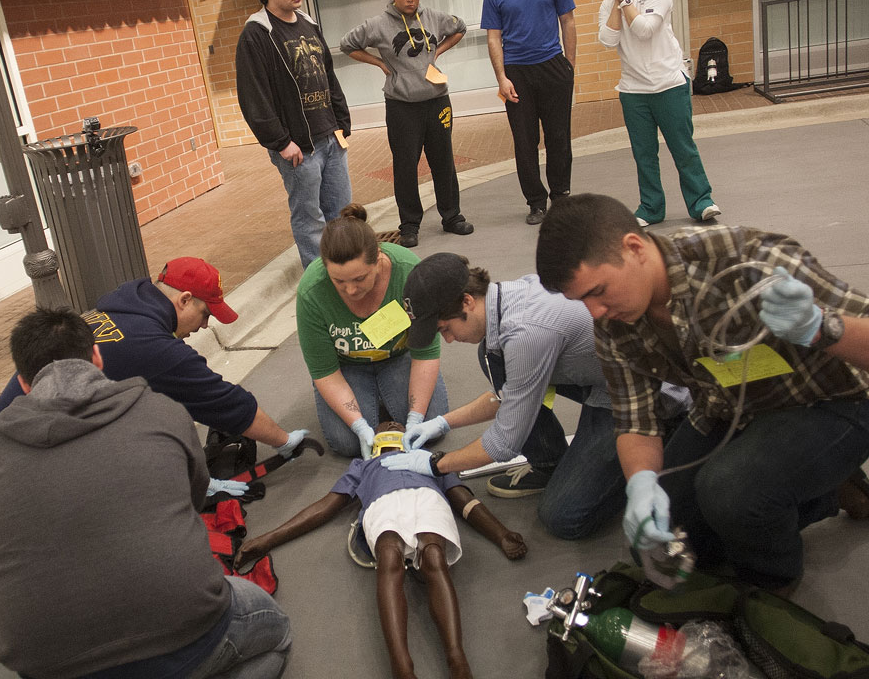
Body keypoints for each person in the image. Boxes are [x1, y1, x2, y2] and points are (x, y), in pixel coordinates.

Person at [0, 257, 308, 622]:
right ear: (184, 300)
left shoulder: (122, 308)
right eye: (206, 314)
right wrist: (283, 440)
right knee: (103, 545)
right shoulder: (153, 347)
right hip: (28, 470)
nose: (205, 325)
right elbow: (230, 404)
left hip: (7, 452)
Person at [535, 193, 869, 594]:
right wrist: (641, 485)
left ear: (634, 247)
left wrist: (821, 328)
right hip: (731, 410)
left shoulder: (744, 259)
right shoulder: (613, 324)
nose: (595, 312)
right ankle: (820, 491)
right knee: (662, 547)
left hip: (831, 403)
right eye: (581, 300)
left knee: (730, 490)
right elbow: (634, 419)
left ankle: (771, 584)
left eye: (598, 290)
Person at [0, 307, 291, 678]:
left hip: (48, 667)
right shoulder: (161, 412)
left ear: (24, 384)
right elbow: (190, 502)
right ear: (97, 357)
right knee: (276, 630)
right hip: (188, 632)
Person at [383, 252, 688, 540]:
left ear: (467, 301)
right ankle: (551, 463)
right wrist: (441, 423)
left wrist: (437, 464)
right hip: (602, 376)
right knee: (490, 354)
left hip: (646, 394)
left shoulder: (526, 333)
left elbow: (504, 443)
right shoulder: (510, 296)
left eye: (444, 328)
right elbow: (510, 395)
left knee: (564, 516)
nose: (448, 340)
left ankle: (666, 437)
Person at [234, 420, 526, 679]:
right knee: (389, 557)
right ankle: (402, 666)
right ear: (372, 441)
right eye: (382, 426)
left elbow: (462, 499)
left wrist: (501, 534)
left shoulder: (429, 458)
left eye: (395, 425)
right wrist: (268, 539)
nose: (388, 425)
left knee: (434, 556)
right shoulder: (362, 467)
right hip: (382, 504)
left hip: (426, 499)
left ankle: (457, 660)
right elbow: (326, 506)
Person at [339, 0, 474, 249]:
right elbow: (347, 44)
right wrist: (378, 62)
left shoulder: (434, 17)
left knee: (443, 162)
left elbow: (460, 28)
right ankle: (409, 225)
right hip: (402, 107)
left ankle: (452, 217)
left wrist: (437, 53)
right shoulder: (377, 25)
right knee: (404, 166)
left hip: (437, 102)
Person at [296, 203, 448, 459]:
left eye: (359, 278)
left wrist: (414, 417)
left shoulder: (409, 272)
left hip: (399, 356)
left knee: (429, 427)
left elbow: (427, 352)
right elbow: (325, 372)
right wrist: (358, 424)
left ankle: (388, 403)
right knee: (347, 443)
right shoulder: (312, 292)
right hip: (347, 366)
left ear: (378, 259)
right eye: (339, 281)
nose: (351, 291)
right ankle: (372, 405)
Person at [235, 0, 352, 268]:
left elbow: (328, 73)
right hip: (299, 147)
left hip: (330, 137)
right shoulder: (257, 34)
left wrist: (342, 121)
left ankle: (346, 273)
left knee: (341, 215)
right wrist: (281, 142)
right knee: (309, 219)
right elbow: (253, 97)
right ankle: (319, 282)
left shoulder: (308, 22)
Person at [597, 0, 720, 227]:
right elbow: (608, 40)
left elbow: (645, 30)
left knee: (682, 147)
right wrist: (617, 2)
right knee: (644, 154)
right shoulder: (607, 4)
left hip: (668, 84)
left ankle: (701, 202)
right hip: (633, 90)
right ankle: (651, 208)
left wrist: (627, 0)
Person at [482, 0, 576, 226]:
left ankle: (560, 195)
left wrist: (569, 64)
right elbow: (493, 37)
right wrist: (501, 77)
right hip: (516, 74)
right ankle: (536, 202)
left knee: (558, 136)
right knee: (524, 141)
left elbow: (568, 22)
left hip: (552, 66)